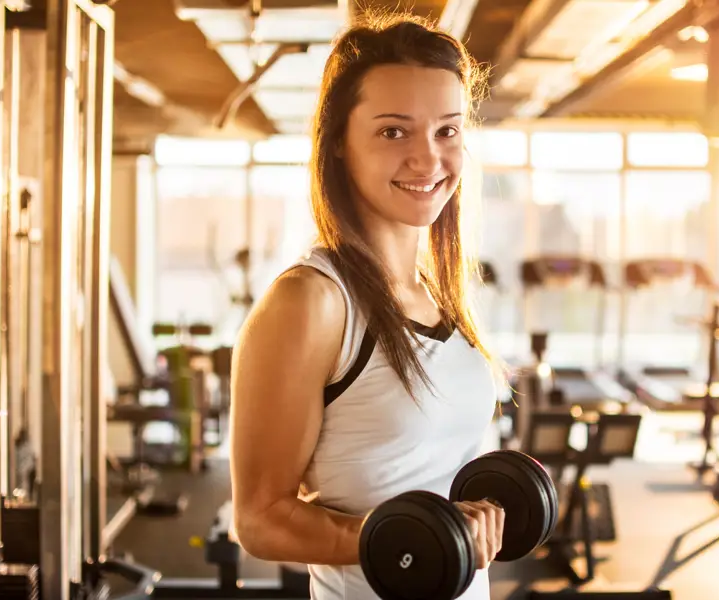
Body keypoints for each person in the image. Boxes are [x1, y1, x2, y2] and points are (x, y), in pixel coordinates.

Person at [229, 12, 506, 600]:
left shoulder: (439, 294)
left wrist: (468, 528)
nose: (428, 160)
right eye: (393, 132)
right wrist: (409, 536)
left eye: (447, 131)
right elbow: (259, 519)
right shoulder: (313, 301)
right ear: (337, 143)